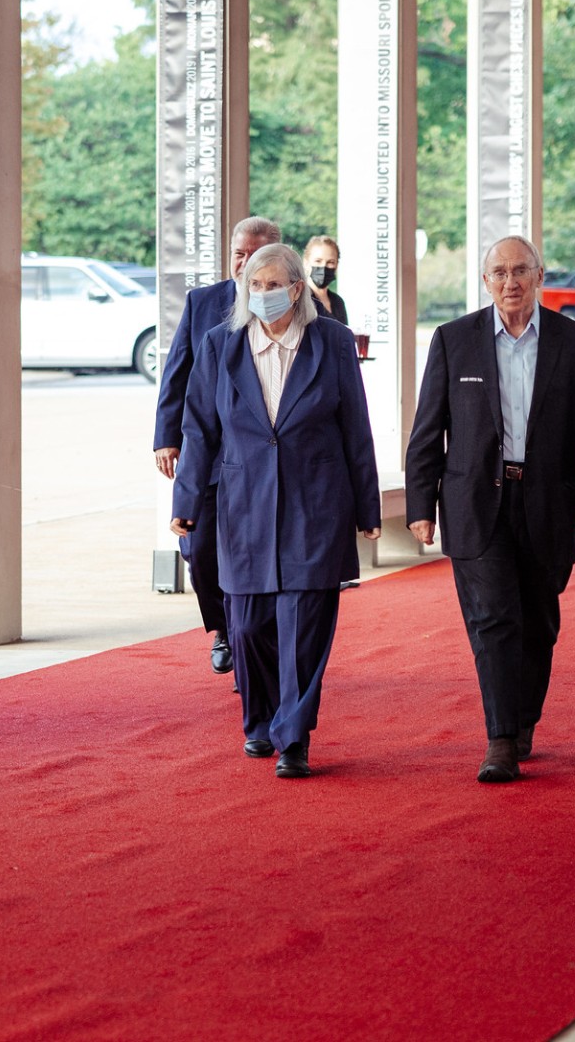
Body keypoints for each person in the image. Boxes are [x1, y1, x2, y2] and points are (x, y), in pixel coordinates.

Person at [404, 235, 575, 783]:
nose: (510, 282)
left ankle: (523, 719)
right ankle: (499, 739)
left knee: (538, 624)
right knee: (494, 618)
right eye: (498, 272)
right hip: (476, 501)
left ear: (539, 275)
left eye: (520, 270)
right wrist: (419, 505)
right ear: (485, 281)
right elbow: (428, 430)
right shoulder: (455, 341)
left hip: (551, 501)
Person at [170, 244, 382, 778]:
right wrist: (188, 501)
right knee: (247, 627)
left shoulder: (331, 341)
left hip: (317, 503)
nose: (261, 294)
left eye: (272, 285)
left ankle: (293, 737)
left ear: (295, 288)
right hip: (243, 504)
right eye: (253, 285)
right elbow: (199, 430)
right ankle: (260, 721)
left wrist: (367, 505)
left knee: (305, 624)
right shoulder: (221, 345)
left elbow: (356, 426)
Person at [154, 216, 281, 684]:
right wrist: (167, 438)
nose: (245, 262)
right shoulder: (202, 303)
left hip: (263, 456)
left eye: (256, 253)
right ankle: (223, 628)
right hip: (208, 453)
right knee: (199, 548)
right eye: (239, 253)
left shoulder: (295, 305)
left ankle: (254, 640)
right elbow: (177, 372)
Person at [302, 235, 348, 326]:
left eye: (330, 262)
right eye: (318, 261)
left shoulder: (338, 302)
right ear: (306, 263)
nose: (323, 266)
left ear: (337, 265)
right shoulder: (300, 300)